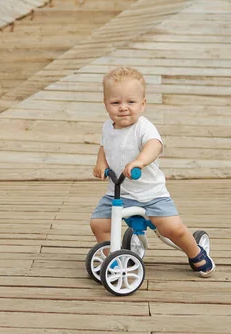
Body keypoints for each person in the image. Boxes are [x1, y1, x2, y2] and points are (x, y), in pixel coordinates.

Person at [90, 66, 215, 277]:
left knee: (171, 230)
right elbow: (104, 147)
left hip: (151, 195)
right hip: (118, 194)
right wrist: (101, 163)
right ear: (105, 105)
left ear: (142, 104)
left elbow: (154, 145)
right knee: (99, 223)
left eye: (130, 102)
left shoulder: (143, 127)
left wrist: (139, 162)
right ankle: (115, 260)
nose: (123, 108)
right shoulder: (108, 127)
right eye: (115, 102)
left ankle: (196, 253)